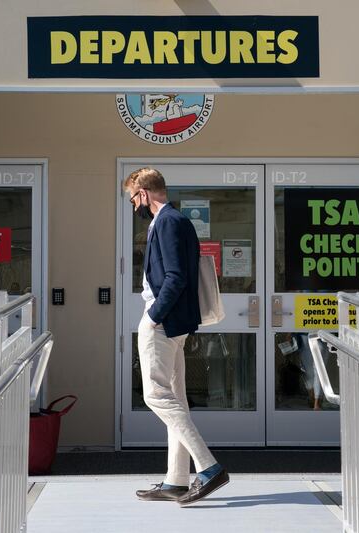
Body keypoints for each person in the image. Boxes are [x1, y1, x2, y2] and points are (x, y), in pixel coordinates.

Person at [124, 167, 229, 506]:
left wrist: (153, 318)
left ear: (144, 193)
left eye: (133, 200)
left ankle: (209, 468)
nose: (134, 207)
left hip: (162, 323)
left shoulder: (167, 221)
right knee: (175, 398)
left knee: (157, 395)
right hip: (173, 324)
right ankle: (176, 480)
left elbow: (176, 276)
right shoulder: (176, 221)